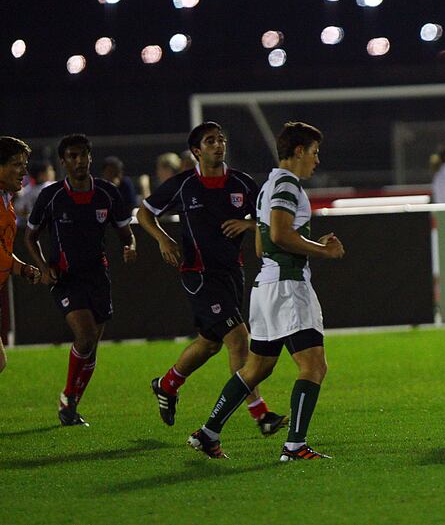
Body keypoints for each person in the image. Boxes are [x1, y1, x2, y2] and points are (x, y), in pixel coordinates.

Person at [187, 122, 344, 461]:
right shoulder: (288, 184)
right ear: (299, 151)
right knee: (313, 366)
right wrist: (322, 251)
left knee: (257, 368)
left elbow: (262, 245)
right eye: (314, 152)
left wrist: (309, 244)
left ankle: (208, 433)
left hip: (266, 287)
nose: (317, 160)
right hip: (288, 288)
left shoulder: (269, 184)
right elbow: (281, 234)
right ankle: (295, 446)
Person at [138, 122, 287, 436]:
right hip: (198, 274)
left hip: (233, 272)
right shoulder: (184, 184)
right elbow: (145, 212)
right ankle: (260, 415)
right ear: (196, 150)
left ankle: (167, 384)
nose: (218, 145)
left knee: (209, 344)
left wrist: (247, 226)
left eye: (221, 139)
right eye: (210, 141)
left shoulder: (242, 183)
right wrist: (163, 240)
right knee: (237, 338)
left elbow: (267, 217)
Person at [25, 134, 136, 425]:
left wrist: (131, 247)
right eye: (72, 156)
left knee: (91, 346)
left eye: (83, 155)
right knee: (85, 337)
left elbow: (126, 233)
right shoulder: (51, 196)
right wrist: (43, 267)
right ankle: (69, 398)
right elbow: (30, 236)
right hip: (66, 277)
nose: (79, 161)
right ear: (63, 162)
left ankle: (69, 405)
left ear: (90, 157)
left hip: (97, 276)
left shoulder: (107, 193)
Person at [0, 137, 42, 373]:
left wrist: (21, 268)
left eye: (24, 164)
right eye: (16, 164)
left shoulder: (6, 199)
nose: (24, 171)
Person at [13, 159, 56, 226]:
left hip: (33, 227)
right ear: (41, 175)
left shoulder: (28, 190)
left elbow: (18, 209)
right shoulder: (52, 187)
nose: (53, 172)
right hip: (51, 225)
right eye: (50, 170)